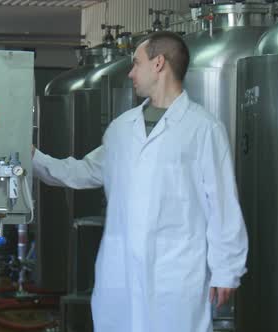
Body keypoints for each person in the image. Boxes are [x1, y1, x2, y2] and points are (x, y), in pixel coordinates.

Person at [32, 31, 248, 331]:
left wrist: (227, 270)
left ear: (159, 64)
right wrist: (32, 158)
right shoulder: (122, 129)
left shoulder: (203, 129)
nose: (131, 72)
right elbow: (82, 172)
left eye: (136, 63)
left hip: (177, 271)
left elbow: (223, 205)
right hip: (120, 270)